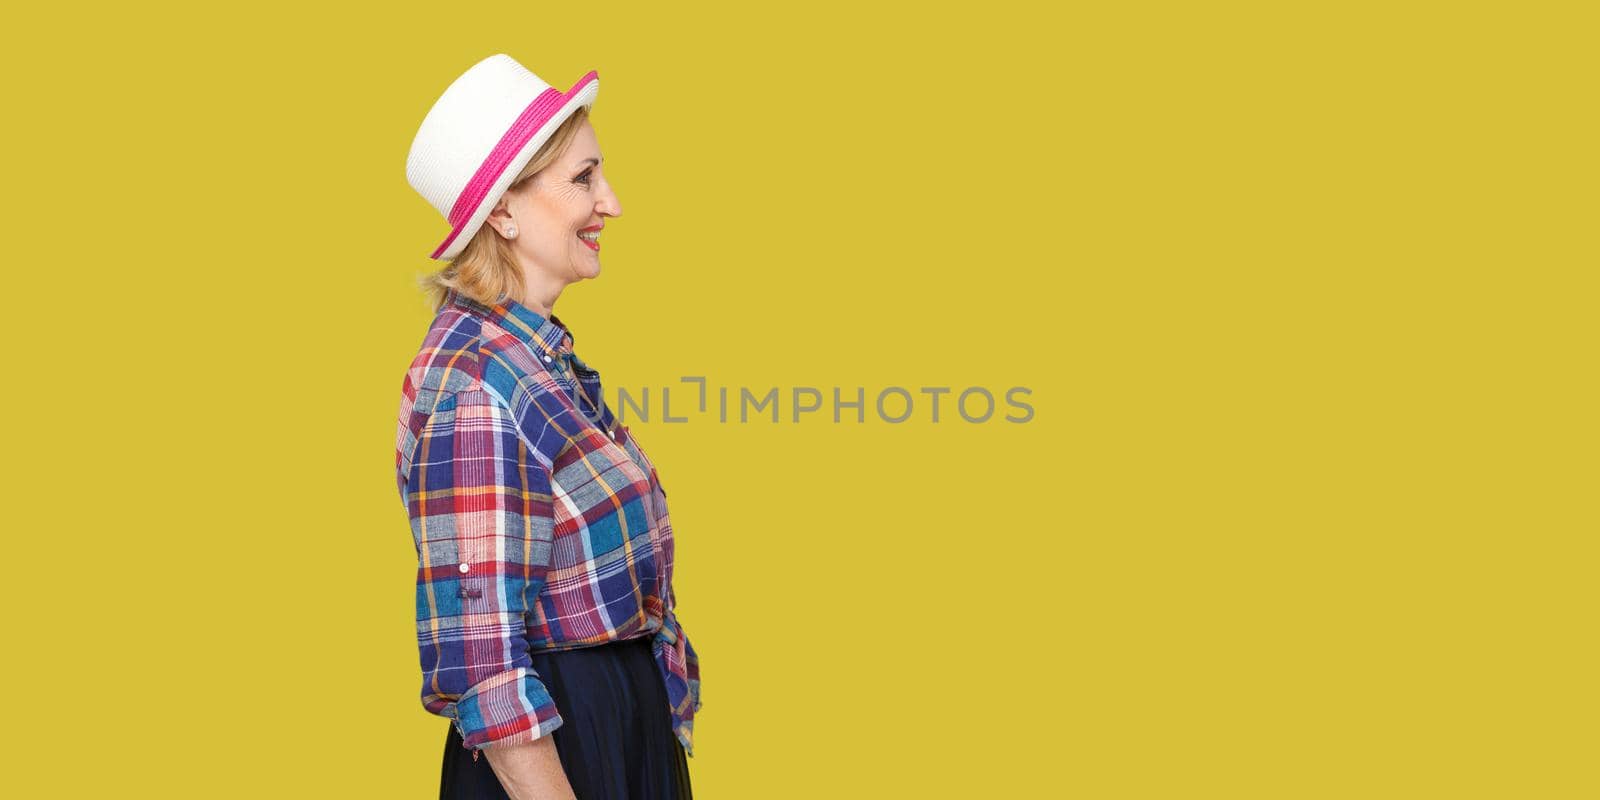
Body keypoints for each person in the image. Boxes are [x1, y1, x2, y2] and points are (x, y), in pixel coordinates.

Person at [395, 54, 702, 800]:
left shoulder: (537, 358)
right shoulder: (475, 383)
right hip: (559, 756)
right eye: (583, 178)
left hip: (610, 729)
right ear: (503, 211)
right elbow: (483, 662)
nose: (612, 203)